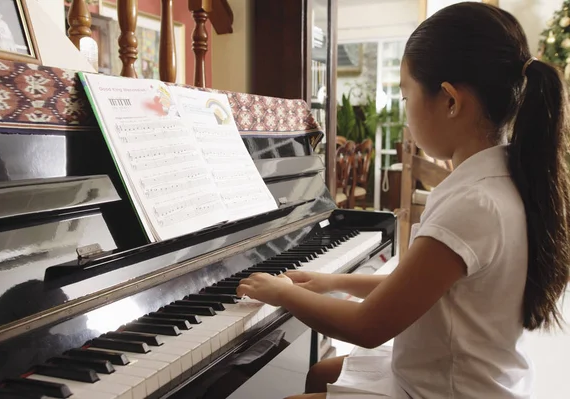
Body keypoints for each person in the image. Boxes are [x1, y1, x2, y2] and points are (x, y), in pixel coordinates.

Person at [237, 3, 570, 398]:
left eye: (405, 96)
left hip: (451, 389)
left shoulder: (474, 205)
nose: (404, 111)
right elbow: (416, 283)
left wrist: (283, 293)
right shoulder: (502, 178)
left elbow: (368, 326)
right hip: (469, 372)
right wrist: (329, 281)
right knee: (323, 372)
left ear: (450, 101)